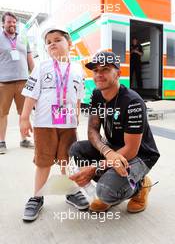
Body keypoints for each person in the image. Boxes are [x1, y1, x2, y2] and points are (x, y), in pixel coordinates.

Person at [68, 51, 160, 213]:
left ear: (118, 73)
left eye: (105, 69)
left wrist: (95, 168)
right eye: (95, 70)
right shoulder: (97, 94)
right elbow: (92, 130)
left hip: (140, 155)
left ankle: (139, 186)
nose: (99, 74)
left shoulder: (133, 102)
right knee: (76, 149)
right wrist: (107, 151)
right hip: (113, 148)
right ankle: (113, 188)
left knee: (104, 191)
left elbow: (131, 150)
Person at [20, 27, 87, 222]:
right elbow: (31, 94)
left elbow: (78, 97)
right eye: (49, 42)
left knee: (67, 160)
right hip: (44, 124)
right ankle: (37, 196)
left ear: (69, 44)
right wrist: (25, 118)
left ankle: (70, 191)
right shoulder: (41, 67)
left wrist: (76, 116)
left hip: (68, 125)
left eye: (57, 39)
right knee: (43, 161)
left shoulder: (77, 69)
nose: (52, 44)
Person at [0, 11, 34, 154]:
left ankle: (24, 139)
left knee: (24, 113)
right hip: (4, 83)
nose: (12, 24)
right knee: (2, 113)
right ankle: (1, 142)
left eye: (14, 22)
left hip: (23, 82)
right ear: (3, 23)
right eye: (9, 22)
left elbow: (29, 59)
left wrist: (36, 76)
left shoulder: (23, 39)